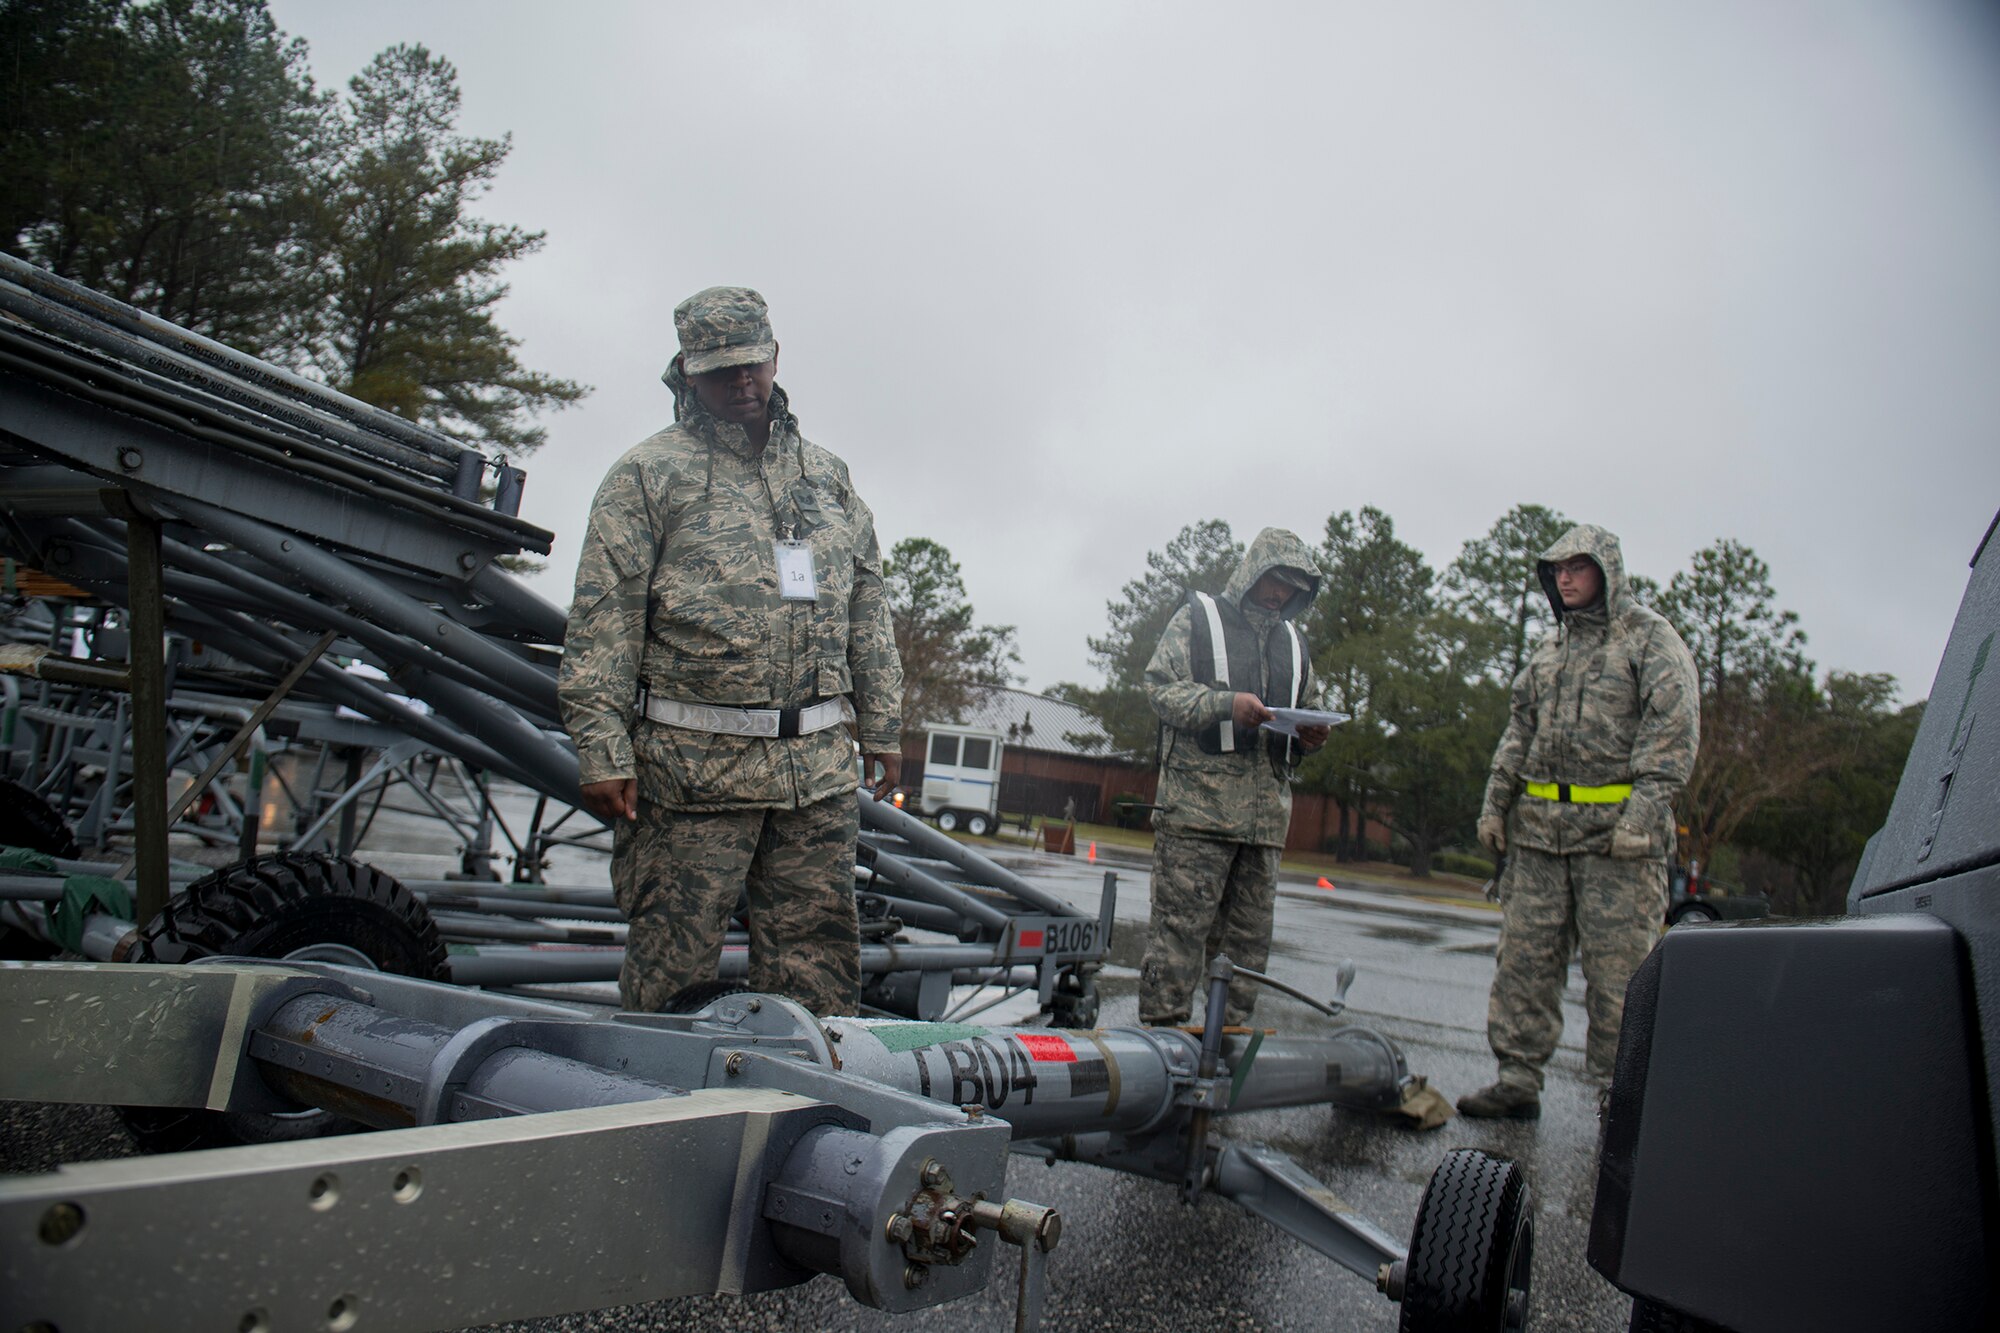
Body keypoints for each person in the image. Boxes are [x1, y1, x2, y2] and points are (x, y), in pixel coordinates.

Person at [558, 286, 903, 1017]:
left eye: (752, 365)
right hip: (692, 776)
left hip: (813, 777)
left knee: (818, 976)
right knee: (670, 978)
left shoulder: (826, 478)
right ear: (686, 371)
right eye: (720, 370)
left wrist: (884, 724)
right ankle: (652, 1120)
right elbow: (603, 619)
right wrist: (601, 744)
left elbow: (867, 601)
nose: (741, 382)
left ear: (775, 357)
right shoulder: (649, 477)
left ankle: (804, 1118)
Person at [1457, 524, 1699, 1119]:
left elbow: (1672, 735)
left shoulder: (1648, 640)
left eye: (1577, 566)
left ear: (1607, 571)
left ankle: (1622, 1100)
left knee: (1620, 981)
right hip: (1539, 837)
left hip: (1615, 843)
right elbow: (1519, 731)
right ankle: (1516, 1079)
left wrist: (1639, 819)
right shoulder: (1551, 649)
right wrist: (1496, 804)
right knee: (1523, 964)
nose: (1564, 577)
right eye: (1556, 568)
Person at [1138, 528, 1328, 1028]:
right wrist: (1226, 704)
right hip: (1196, 816)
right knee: (1177, 938)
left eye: (1290, 586)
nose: (1279, 593)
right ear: (1253, 572)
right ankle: (1161, 1040)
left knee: (1247, 948)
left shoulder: (1293, 642)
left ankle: (1229, 1039)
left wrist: (1311, 732)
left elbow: (1307, 706)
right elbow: (1160, 690)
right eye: (1273, 579)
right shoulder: (1198, 619)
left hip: (1264, 826)